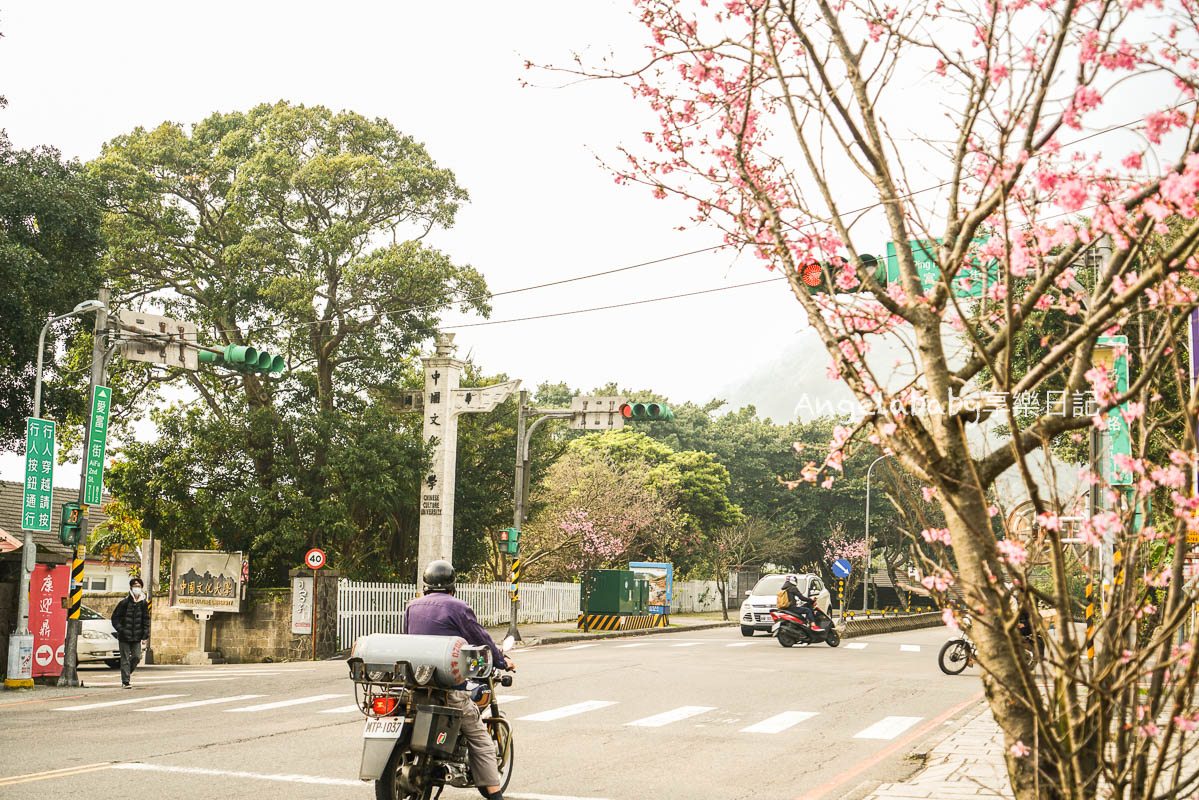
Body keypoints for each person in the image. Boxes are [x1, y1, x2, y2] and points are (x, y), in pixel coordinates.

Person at [402, 560, 513, 800]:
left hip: (415, 685)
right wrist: (501, 661)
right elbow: (479, 637)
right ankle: (495, 794)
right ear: (453, 587)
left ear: (425, 586)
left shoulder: (411, 607)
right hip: (449, 687)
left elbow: (407, 640)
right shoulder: (458, 607)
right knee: (480, 738)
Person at [111, 577, 150, 688]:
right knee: (125, 659)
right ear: (130, 588)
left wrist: (145, 634)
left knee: (137, 657)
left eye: (139, 586)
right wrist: (121, 629)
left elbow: (146, 620)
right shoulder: (124, 603)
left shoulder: (143, 604)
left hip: (136, 636)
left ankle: (127, 672)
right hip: (124, 636)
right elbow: (115, 618)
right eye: (135, 586)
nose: (137, 588)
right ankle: (125, 681)